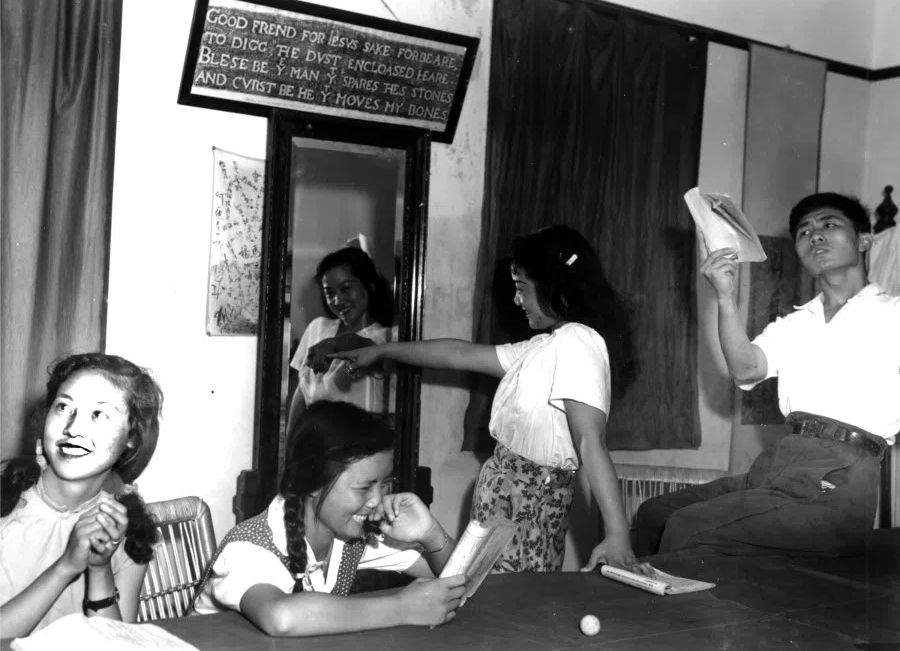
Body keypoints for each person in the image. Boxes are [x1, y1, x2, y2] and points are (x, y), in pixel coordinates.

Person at [332, 225, 650, 575]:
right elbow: (458, 354)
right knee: (481, 595)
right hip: (503, 502)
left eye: (522, 288)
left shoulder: (577, 341)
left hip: (526, 509)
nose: (517, 300)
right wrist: (381, 351)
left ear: (553, 286)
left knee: (506, 601)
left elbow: (590, 440)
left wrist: (618, 535)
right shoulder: (544, 347)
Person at [633, 192, 900, 557]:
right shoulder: (794, 323)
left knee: (688, 526)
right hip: (778, 465)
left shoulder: (893, 313)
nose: (814, 234)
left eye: (829, 224)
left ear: (864, 240)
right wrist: (725, 297)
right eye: (804, 231)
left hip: (841, 478)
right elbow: (745, 367)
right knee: (656, 513)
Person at [192, 400, 467, 635]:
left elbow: (461, 580)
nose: (377, 500)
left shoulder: (351, 535)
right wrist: (402, 608)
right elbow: (281, 617)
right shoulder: (249, 547)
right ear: (313, 484)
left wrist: (430, 534)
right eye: (364, 488)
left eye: (385, 484)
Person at [0, 353, 163, 637]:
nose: (74, 428)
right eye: (64, 407)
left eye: (98, 414)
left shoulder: (128, 531)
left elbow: (119, 649)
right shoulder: (7, 503)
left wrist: (100, 569)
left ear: (131, 438)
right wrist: (66, 567)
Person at [287, 247, 394, 429]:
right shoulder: (317, 328)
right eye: (330, 293)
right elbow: (300, 393)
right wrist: (290, 440)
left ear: (370, 285)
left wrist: (334, 344)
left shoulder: (387, 337)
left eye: (346, 289)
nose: (337, 300)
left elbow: (368, 347)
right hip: (314, 438)